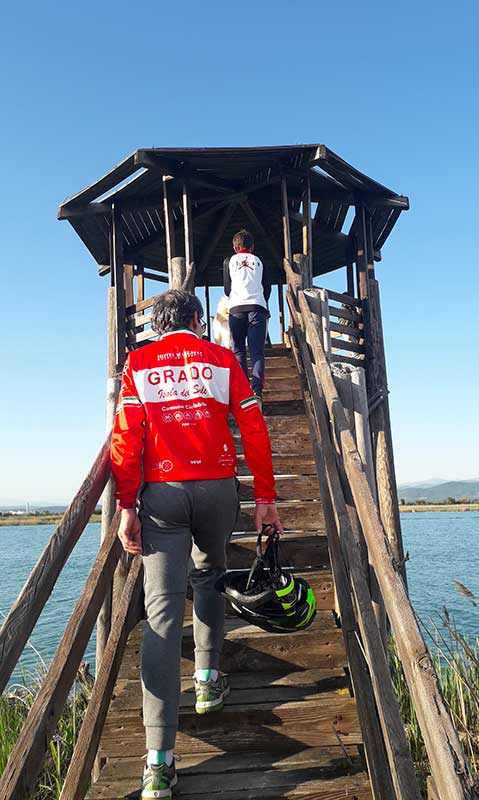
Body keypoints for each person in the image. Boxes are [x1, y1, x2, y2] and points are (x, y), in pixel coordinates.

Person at [110, 289, 282, 800]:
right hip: (218, 488)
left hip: (161, 494)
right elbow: (254, 427)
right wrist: (266, 497)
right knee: (210, 575)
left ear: (159, 326)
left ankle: (157, 763)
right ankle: (208, 680)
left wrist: (126, 505)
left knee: (161, 615)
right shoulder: (223, 359)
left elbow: (125, 437)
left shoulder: (139, 364)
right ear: (196, 320)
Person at [223, 229, 271, 407]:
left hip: (236, 308)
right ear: (252, 246)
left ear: (235, 247)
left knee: (238, 351)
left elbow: (227, 289)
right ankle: (257, 390)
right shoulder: (260, 261)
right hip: (257, 307)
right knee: (257, 351)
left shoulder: (228, 261)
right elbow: (267, 287)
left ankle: (243, 390)